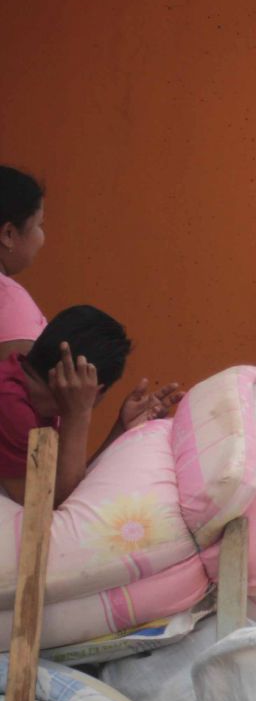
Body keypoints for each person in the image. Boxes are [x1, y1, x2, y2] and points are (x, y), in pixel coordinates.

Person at [0, 306, 178, 507]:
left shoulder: (28, 397)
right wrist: (78, 414)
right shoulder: (11, 407)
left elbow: (63, 486)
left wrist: (120, 429)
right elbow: (48, 506)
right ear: (95, 390)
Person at [0, 167, 48, 354]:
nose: (42, 238)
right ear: (8, 234)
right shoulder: (9, 303)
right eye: (39, 225)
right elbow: (18, 382)